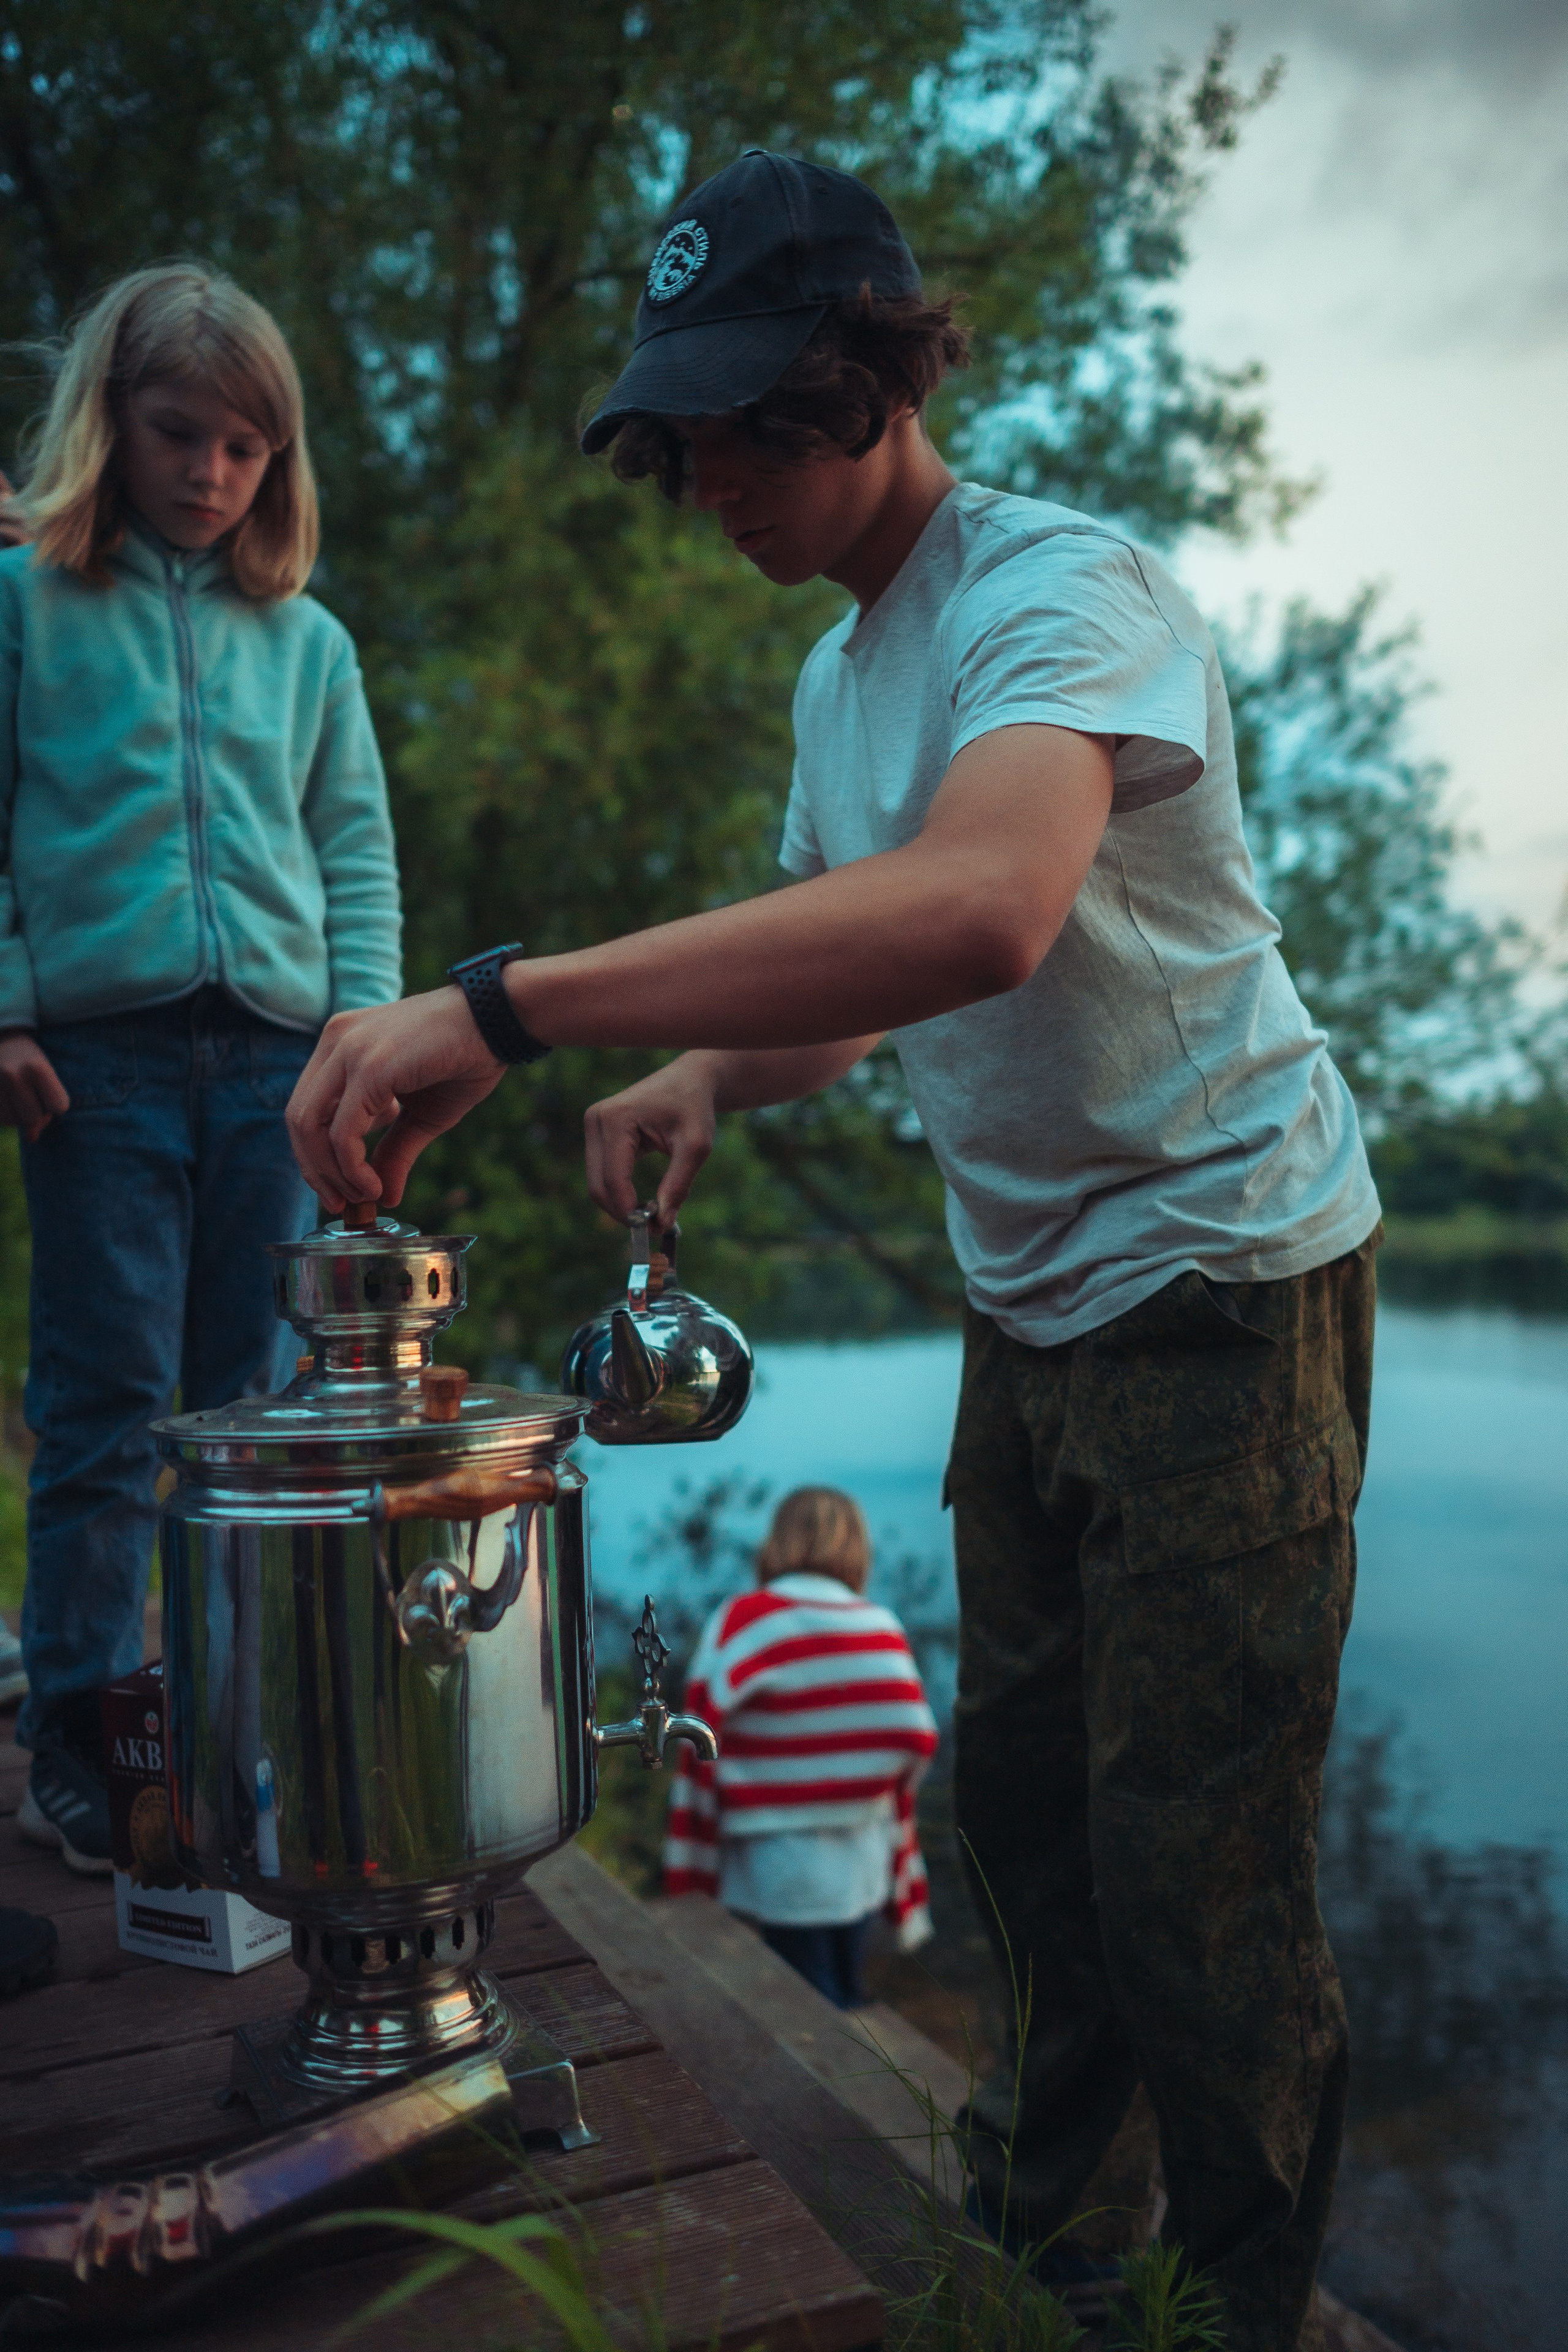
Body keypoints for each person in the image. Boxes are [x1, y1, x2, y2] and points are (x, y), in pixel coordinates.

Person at [285, 150, 1381, 2352]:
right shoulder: (832, 684)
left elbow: (984, 903)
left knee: (1198, 1865)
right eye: (667, 434)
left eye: (726, 423)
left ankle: (1237, 2308)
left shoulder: (1057, 592)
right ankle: (1035, 2228)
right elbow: (868, 990)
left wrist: (503, 999)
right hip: (1030, 1303)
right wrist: (701, 1070)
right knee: (1015, 1815)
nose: (693, 475)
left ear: (857, 378)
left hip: (1223, 1285)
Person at [0, 266, 401, 1924]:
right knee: (103, 1408)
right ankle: (86, 1742)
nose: (211, 472)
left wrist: (368, 1039)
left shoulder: (306, 642)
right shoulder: (28, 602)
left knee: (240, 1417)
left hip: (274, 1072)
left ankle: (224, 1737)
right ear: (111, 423)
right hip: (93, 1063)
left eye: (247, 445)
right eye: (179, 432)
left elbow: (355, 850)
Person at [663, 1485, 938, 2009]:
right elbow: (915, 1733)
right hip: (863, 1849)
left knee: (809, 2001)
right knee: (844, 1987)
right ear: (858, 1546)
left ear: (778, 1541)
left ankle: (837, 2087)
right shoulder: (879, 1624)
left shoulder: (745, 1618)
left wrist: (701, 1843)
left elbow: (697, 1732)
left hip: (777, 1856)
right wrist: (867, 1782)